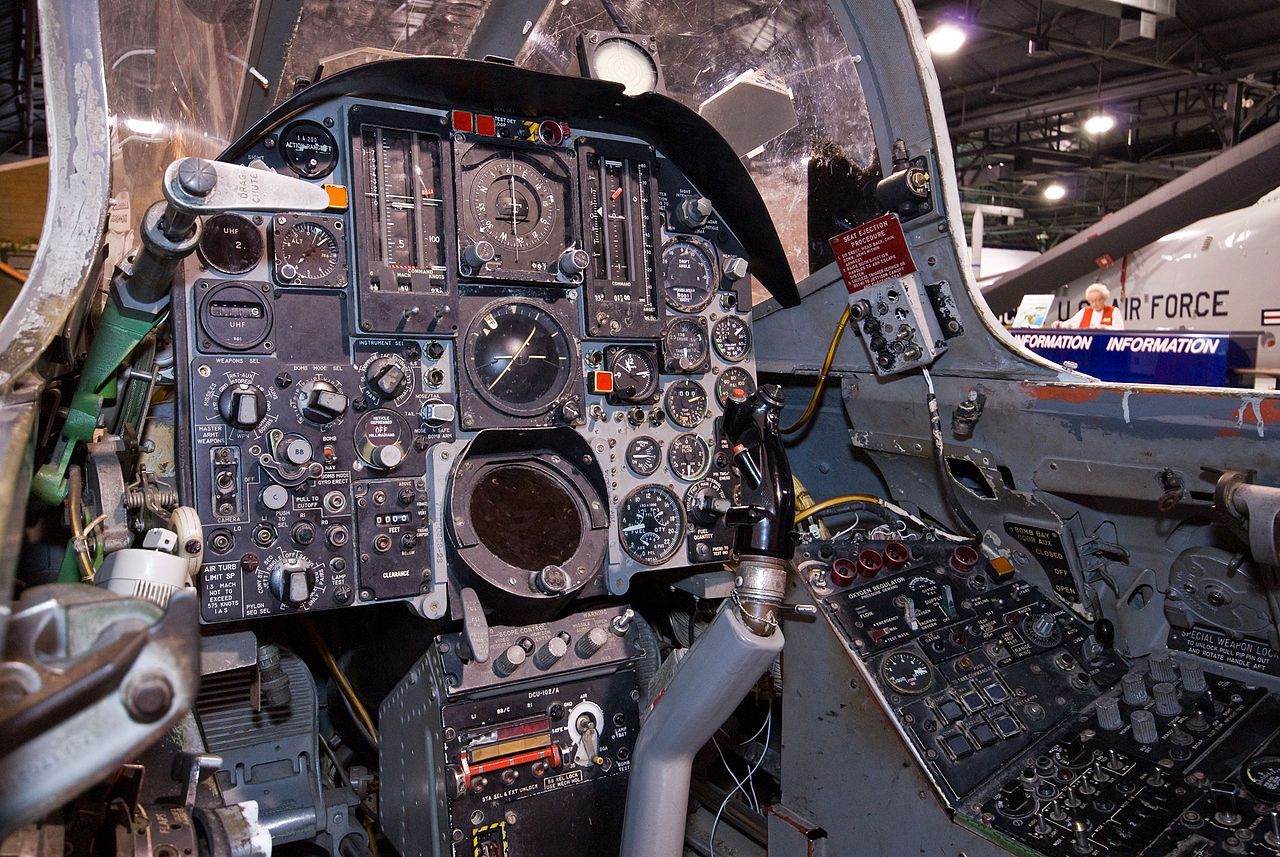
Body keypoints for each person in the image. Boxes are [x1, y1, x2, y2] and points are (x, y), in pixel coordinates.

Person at [1052, 283, 1124, 330]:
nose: (1095, 304)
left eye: (1098, 300)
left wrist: (1104, 328)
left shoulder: (1113, 311)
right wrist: (1059, 324)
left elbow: (1120, 330)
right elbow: (1070, 324)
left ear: (1104, 298)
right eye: (1092, 301)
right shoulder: (1085, 311)